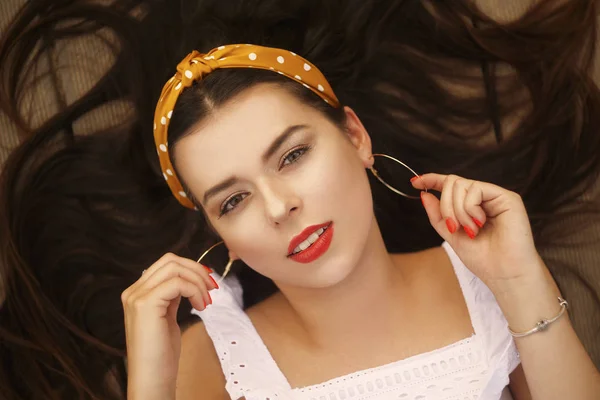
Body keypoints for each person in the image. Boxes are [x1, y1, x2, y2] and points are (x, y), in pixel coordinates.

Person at [1, 1, 600, 399]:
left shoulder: (483, 280)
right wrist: (152, 384)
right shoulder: (210, 358)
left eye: (291, 156)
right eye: (233, 200)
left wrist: (521, 280)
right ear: (214, 230)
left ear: (355, 136)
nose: (280, 205)